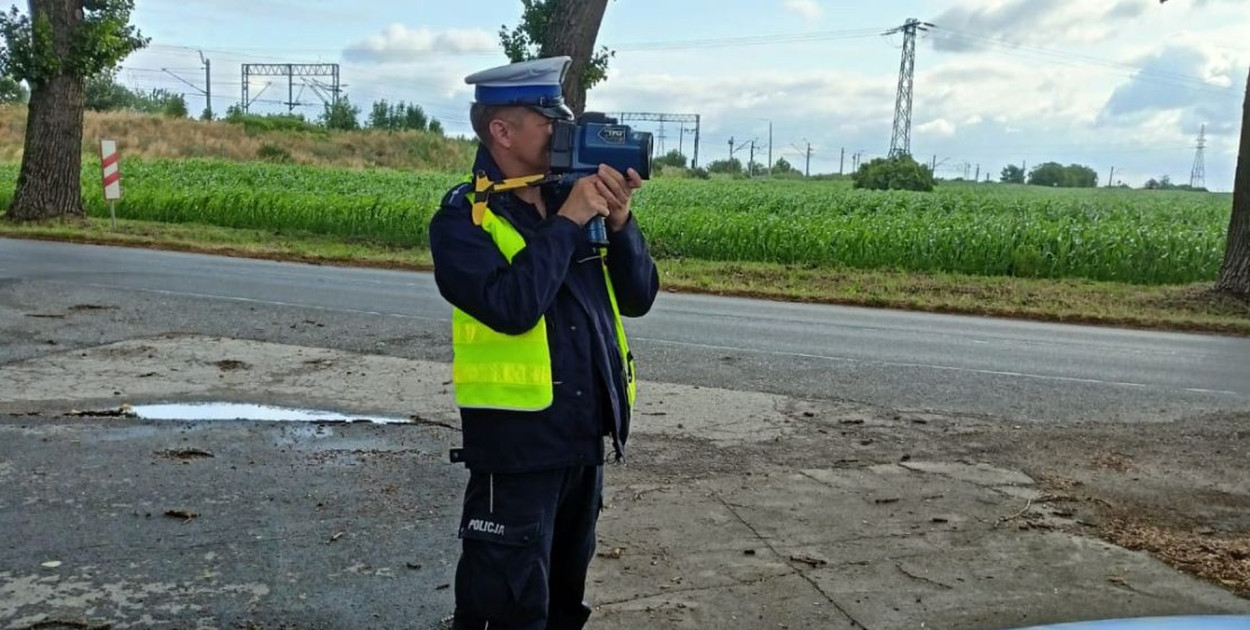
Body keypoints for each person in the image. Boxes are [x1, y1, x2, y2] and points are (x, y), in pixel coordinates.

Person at [428, 55, 660, 630]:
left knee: (562, 604)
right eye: (548, 120)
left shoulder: (570, 200)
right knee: (504, 608)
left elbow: (638, 297)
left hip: (582, 440)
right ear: (502, 132)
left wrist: (621, 223)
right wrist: (567, 223)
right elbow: (512, 308)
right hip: (516, 451)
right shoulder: (463, 221)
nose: (563, 130)